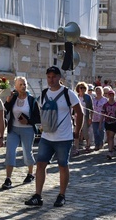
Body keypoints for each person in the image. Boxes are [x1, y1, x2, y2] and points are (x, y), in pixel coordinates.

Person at [25, 66, 83, 207]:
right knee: (40, 165)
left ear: (59, 78)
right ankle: (38, 195)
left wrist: (77, 131)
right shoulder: (44, 93)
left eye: (54, 76)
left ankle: (61, 195)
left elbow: (80, 113)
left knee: (62, 166)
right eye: (49, 77)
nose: (51, 79)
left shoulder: (68, 93)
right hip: (47, 137)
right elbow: (40, 112)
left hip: (64, 137)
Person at [2, 77, 40, 189]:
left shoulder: (32, 100)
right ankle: (8, 178)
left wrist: (27, 121)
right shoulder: (13, 98)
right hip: (13, 129)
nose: (23, 86)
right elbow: (4, 110)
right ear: (16, 87)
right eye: (20, 84)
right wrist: (7, 102)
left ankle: (30, 173)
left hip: (27, 129)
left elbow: (38, 117)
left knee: (27, 151)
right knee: (10, 151)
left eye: (24, 84)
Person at [99, 90, 116, 159]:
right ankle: (110, 149)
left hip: (114, 122)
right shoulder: (105, 105)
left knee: (111, 136)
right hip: (107, 122)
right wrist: (100, 123)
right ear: (108, 96)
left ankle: (110, 151)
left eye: (112, 95)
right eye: (110, 95)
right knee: (108, 136)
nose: (111, 97)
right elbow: (102, 114)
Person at [72, 82, 93, 155]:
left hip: (85, 116)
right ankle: (76, 148)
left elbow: (91, 108)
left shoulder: (87, 97)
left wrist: (90, 118)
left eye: (84, 88)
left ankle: (87, 144)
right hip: (77, 117)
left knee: (85, 132)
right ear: (78, 88)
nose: (82, 89)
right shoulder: (76, 96)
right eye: (81, 88)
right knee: (77, 132)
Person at [92, 86, 108, 151]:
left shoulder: (105, 100)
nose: (98, 92)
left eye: (100, 91)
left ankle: (101, 143)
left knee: (101, 131)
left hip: (102, 118)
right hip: (94, 118)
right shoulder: (93, 99)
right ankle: (96, 144)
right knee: (95, 132)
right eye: (97, 91)